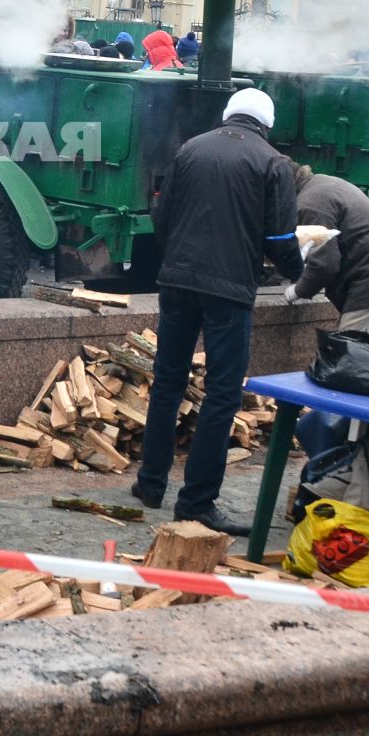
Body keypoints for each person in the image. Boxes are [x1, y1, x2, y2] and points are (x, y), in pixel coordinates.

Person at [134, 88, 303, 534]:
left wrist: (179, 259)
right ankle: (196, 503)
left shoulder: (192, 148)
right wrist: (296, 273)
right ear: (266, 124)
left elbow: (162, 215)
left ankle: (150, 484)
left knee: (168, 382)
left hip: (177, 282)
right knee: (223, 394)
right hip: (228, 292)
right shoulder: (273, 163)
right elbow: (281, 239)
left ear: (229, 115)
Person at [284, 163, 369, 340]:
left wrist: (298, 290)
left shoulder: (310, 205)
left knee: (352, 357)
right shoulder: (321, 182)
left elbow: (325, 263)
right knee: (358, 353)